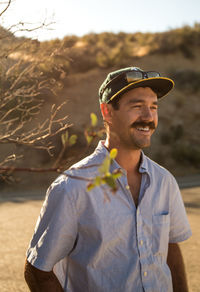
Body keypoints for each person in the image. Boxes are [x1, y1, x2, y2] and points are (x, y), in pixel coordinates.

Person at [24, 67, 192, 292]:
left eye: (153, 107)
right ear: (107, 112)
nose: (148, 117)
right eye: (137, 106)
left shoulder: (165, 181)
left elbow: (170, 248)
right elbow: (37, 271)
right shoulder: (72, 186)